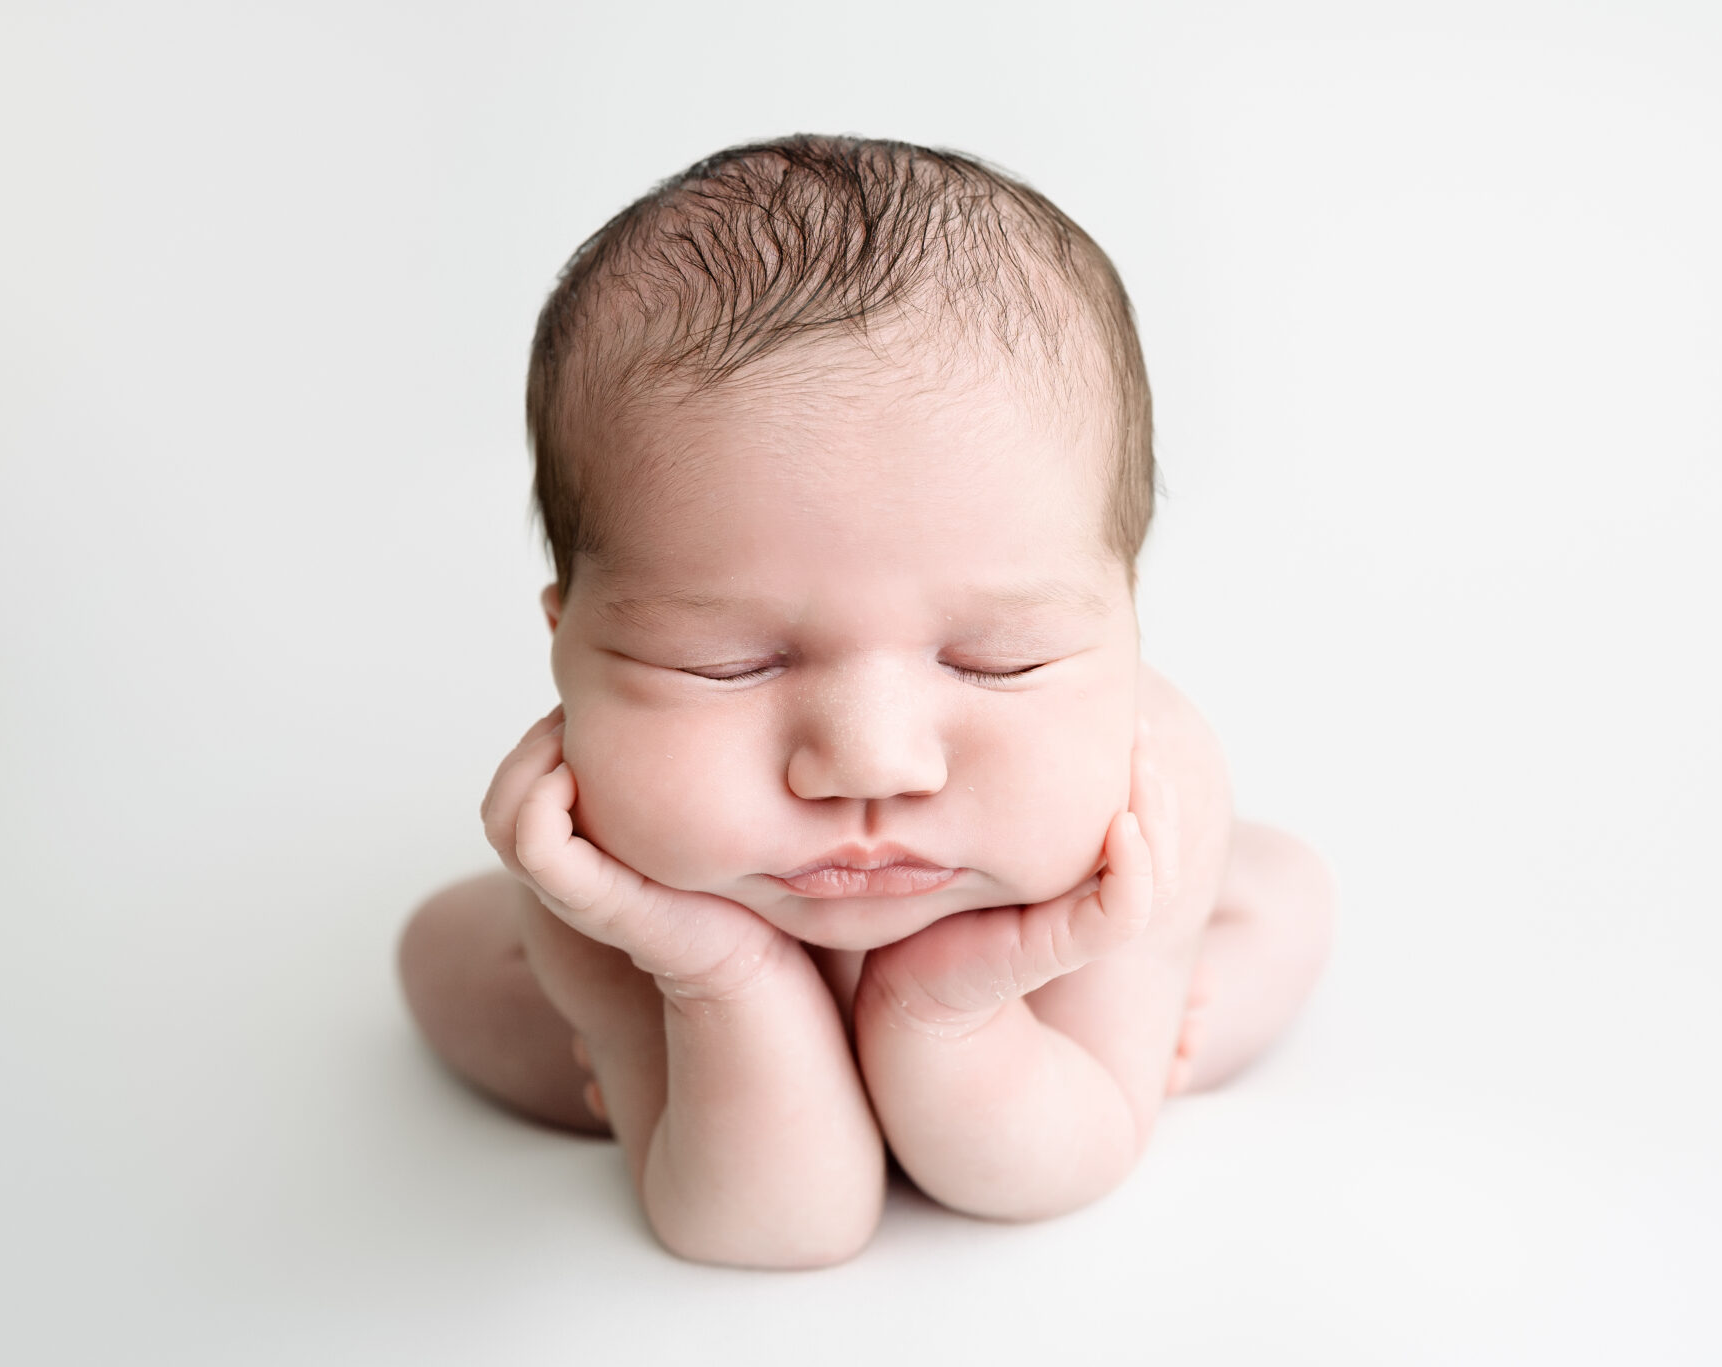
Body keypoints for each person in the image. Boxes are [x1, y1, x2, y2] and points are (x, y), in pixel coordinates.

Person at [397, 134, 1335, 1269]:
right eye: (728, 664)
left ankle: (1127, 1024)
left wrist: (952, 1005)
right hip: (679, 976)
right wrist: (713, 973)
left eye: (998, 661)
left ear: (1125, 624)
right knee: (441, 953)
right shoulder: (605, 872)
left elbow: (1049, 1173)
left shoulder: (1140, 808)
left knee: (1285, 897)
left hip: (1059, 980)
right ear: (567, 643)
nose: (872, 761)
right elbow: (773, 1228)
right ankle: (673, 1063)